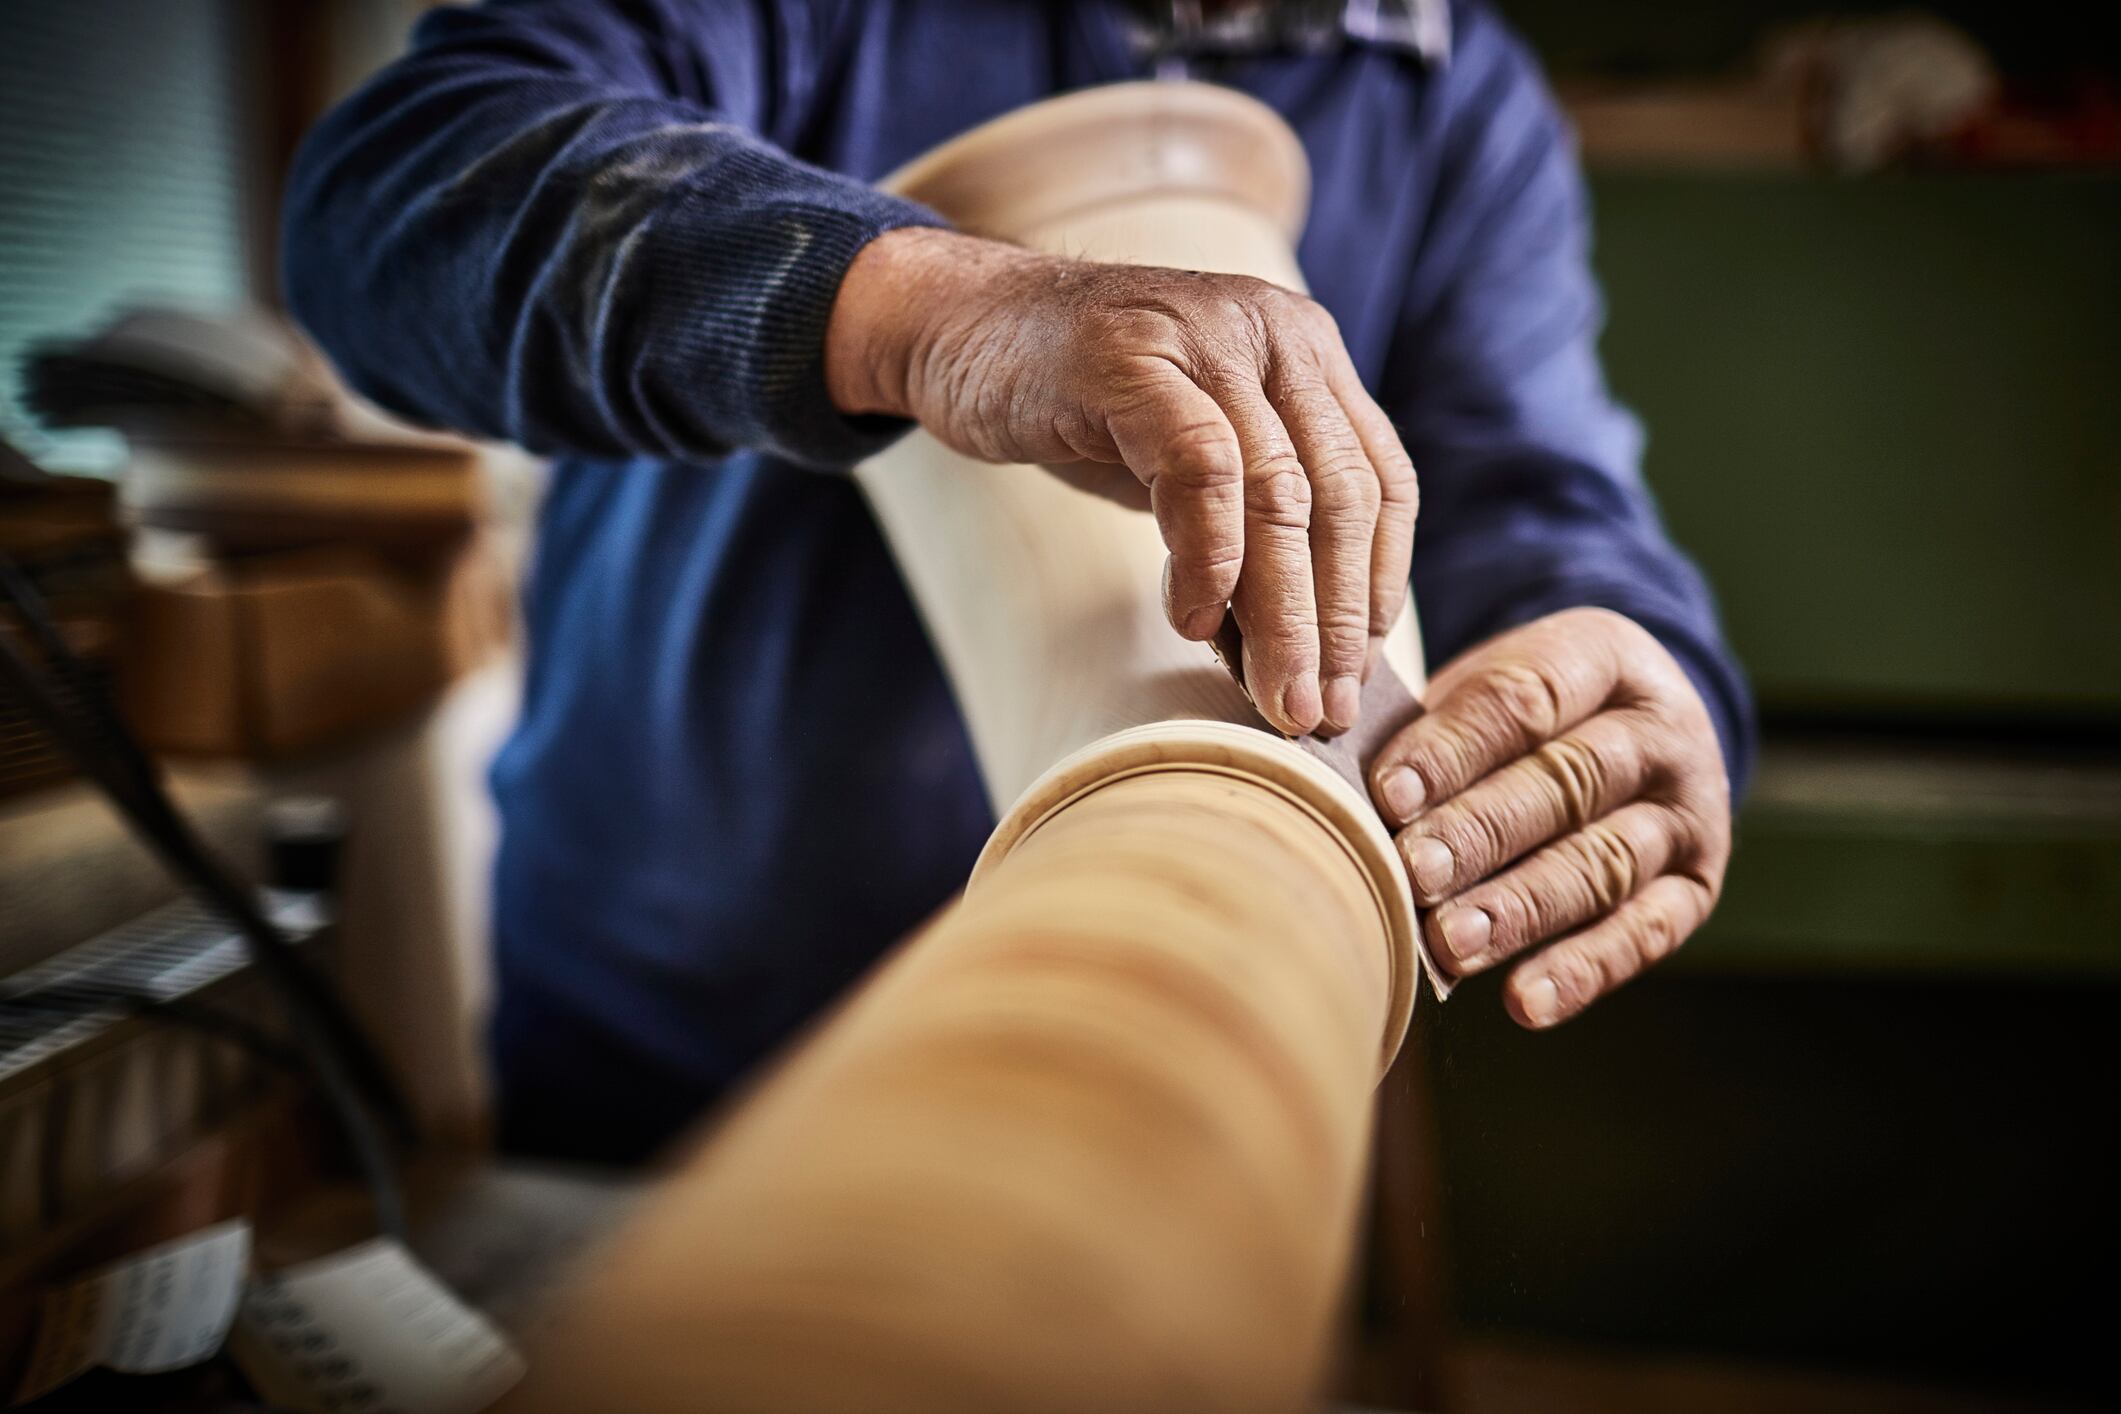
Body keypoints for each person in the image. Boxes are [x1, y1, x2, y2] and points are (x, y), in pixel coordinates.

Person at [285, 0, 1755, 1163]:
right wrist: (924, 309)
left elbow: (1536, 484)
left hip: (1191, 1063)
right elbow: (389, 198)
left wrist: (1640, 664)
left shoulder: (1452, 88)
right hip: (672, 1026)